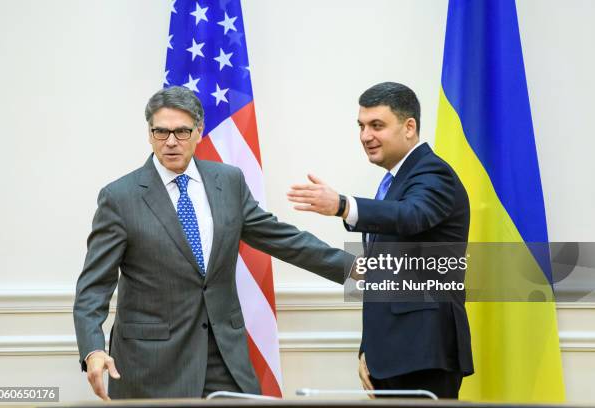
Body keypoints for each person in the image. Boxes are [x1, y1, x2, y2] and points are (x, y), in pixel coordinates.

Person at [73, 86, 353, 400]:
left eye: (181, 131)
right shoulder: (119, 197)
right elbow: (93, 287)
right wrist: (93, 350)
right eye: (161, 131)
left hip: (224, 359)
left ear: (199, 131)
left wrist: (358, 267)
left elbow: (284, 239)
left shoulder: (228, 181)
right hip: (150, 364)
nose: (171, 142)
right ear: (149, 134)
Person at [287, 82, 473, 399]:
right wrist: (368, 349)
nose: (365, 136)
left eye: (377, 125)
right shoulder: (394, 181)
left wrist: (344, 205)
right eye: (361, 126)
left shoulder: (433, 174)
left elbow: (412, 215)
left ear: (409, 127)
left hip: (423, 353)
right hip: (391, 355)